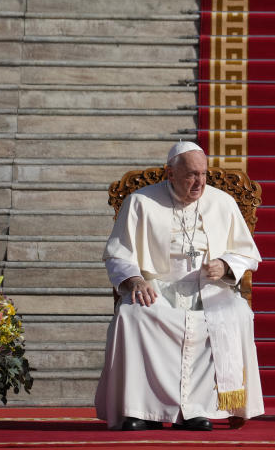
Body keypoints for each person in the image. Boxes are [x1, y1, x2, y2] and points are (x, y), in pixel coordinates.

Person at [95, 141, 264, 431]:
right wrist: (134, 279)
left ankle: (199, 410)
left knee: (235, 314)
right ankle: (142, 411)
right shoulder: (140, 202)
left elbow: (248, 253)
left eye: (203, 174)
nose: (199, 182)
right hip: (157, 285)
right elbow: (117, 253)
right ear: (170, 174)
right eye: (191, 175)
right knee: (133, 316)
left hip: (210, 286)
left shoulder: (222, 202)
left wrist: (224, 264)